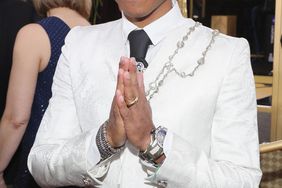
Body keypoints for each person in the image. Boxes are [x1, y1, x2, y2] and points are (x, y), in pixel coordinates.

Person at [28, 0, 262, 187]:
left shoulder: (226, 53)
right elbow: (40, 163)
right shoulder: (80, 44)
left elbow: (242, 180)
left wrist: (153, 145)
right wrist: (105, 139)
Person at [0, 0, 91, 187]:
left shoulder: (34, 35)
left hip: (39, 169)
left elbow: (16, 119)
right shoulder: (100, 35)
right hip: (82, 169)